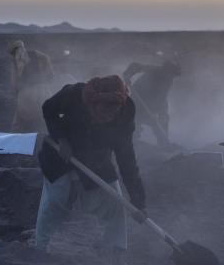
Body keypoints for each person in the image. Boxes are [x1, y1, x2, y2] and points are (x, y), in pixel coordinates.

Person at [35, 75, 147, 254]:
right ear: (92, 104)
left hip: (97, 160)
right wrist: (62, 139)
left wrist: (138, 202)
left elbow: (126, 157)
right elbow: (48, 108)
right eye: (104, 110)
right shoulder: (74, 94)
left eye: (114, 111)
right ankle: (40, 250)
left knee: (114, 205)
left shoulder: (125, 113)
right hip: (60, 157)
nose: (109, 116)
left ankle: (117, 260)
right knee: (54, 204)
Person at [122, 60, 182, 147]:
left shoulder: (169, 80)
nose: (171, 76)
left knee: (163, 121)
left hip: (154, 105)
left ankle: (164, 144)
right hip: (138, 101)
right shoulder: (154, 70)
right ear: (165, 69)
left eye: (173, 74)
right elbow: (135, 65)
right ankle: (131, 144)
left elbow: (162, 99)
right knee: (134, 123)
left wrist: (159, 113)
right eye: (170, 73)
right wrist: (128, 75)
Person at [6, 39, 55, 133]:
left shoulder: (14, 63)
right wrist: (49, 74)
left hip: (26, 93)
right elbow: (46, 58)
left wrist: (17, 92)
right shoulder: (34, 53)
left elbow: (14, 82)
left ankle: (14, 138)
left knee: (18, 119)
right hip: (42, 89)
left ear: (12, 52)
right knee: (49, 112)